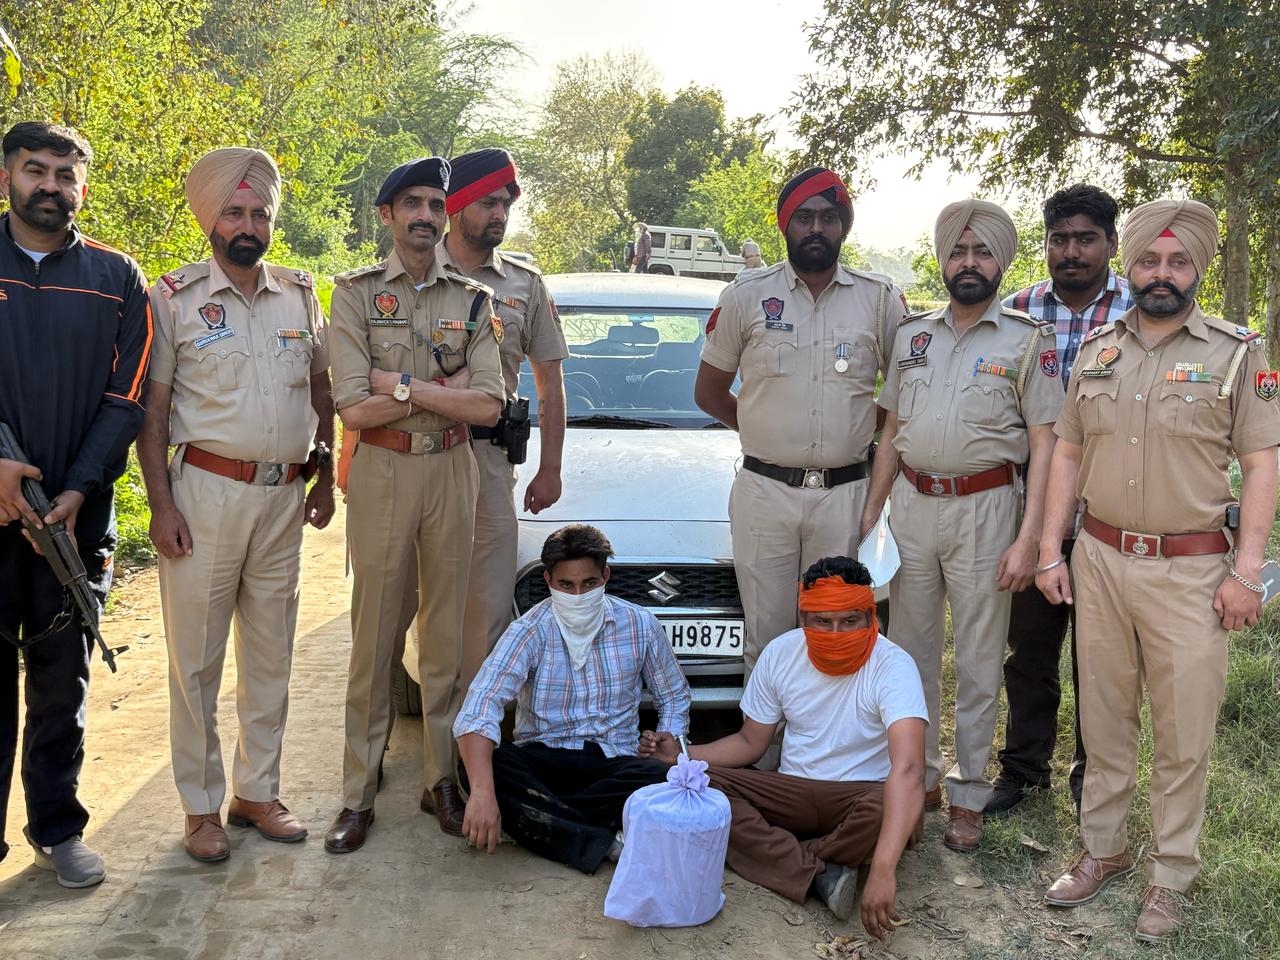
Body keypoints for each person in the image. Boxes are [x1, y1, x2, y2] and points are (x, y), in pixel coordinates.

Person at [1036, 199, 1280, 941]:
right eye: (1148, 261)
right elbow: (1067, 453)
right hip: (1101, 560)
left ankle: (1171, 875)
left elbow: (1261, 463)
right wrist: (1050, 549)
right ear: (1129, 266)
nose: (1162, 274)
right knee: (1104, 719)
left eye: (1177, 261)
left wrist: (1248, 571)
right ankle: (1104, 849)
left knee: (1183, 732)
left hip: (1192, 571)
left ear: (1197, 268)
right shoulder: (1097, 350)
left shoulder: (1238, 353)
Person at [137, 147, 336, 863]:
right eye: (234, 213)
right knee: (196, 660)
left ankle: (257, 792)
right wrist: (161, 506)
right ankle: (200, 808)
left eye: (259, 214)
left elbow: (322, 390)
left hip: (283, 497)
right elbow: (153, 412)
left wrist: (324, 474)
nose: (248, 225)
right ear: (209, 220)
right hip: (205, 495)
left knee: (271, 651)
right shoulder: (174, 298)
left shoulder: (300, 294)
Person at [860, 200, 1062, 852]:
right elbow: (891, 432)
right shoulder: (911, 335)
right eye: (958, 252)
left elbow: (1046, 445)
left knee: (978, 660)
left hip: (989, 509)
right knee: (909, 655)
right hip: (913, 506)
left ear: (1001, 262)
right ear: (943, 260)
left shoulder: (1028, 340)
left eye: (981, 253)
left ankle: (969, 792)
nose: (968, 263)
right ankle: (916, 781)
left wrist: (1030, 539)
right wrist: (871, 515)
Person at [324, 157, 505, 853]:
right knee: (374, 636)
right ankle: (357, 793)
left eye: (435, 204)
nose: (425, 216)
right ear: (388, 215)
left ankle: (440, 780)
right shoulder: (355, 293)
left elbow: (488, 405)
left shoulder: (473, 299)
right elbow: (352, 407)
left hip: (453, 469)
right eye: (412, 204)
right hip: (384, 472)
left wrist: (399, 385)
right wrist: (441, 389)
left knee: (446, 639)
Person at [0, 121, 152, 887]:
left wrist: (75, 489)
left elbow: (128, 397)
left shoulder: (116, 276)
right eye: (36, 170)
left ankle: (57, 829)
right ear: (7, 177)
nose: (50, 186)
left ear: (82, 189)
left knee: (63, 684)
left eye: (65, 175)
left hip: (74, 520)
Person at [641, 556, 926, 939]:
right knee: (697, 785)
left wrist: (883, 871)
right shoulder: (781, 653)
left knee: (895, 807)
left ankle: (782, 855)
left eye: (850, 621)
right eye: (822, 621)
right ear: (804, 617)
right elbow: (750, 743)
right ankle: (822, 869)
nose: (836, 633)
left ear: (870, 616)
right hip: (791, 791)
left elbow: (909, 768)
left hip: (861, 796)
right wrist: (682, 755)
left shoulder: (893, 665)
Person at [695, 167, 904, 672]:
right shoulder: (746, 295)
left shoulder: (879, 299)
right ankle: (764, 730)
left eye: (828, 218)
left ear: (844, 226)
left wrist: (859, 428)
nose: (816, 228)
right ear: (785, 225)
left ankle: (831, 729)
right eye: (804, 217)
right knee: (766, 640)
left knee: (837, 636)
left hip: (845, 497)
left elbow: (902, 395)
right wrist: (765, 430)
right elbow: (708, 392)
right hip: (765, 494)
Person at [987, 184, 1134, 817]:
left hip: (1110, 514)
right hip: (1033, 511)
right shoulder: (1018, 312)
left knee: (1100, 657)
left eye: (1086, 239)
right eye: (1059, 239)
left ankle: (1092, 777)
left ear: (1111, 243)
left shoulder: (1139, 309)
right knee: (1028, 650)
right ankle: (1023, 771)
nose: (1071, 252)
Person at [454, 524, 690, 875]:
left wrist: (667, 738)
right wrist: (483, 793)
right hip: (545, 759)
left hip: (614, 761)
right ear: (548, 580)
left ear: (605, 577)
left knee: (663, 775)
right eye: (566, 585)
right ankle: (605, 840)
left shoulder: (640, 624)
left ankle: (546, 819)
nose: (578, 595)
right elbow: (481, 705)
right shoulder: (529, 630)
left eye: (589, 583)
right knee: (480, 768)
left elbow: (673, 694)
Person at [438, 147, 568, 694]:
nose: (500, 214)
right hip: (418, 455)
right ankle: (431, 730)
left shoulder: (524, 284)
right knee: (419, 602)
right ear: (456, 205)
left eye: (506, 205)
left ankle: (474, 731)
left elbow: (549, 382)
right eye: (488, 203)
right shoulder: (415, 271)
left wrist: (550, 468)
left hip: (490, 463)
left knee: (487, 608)